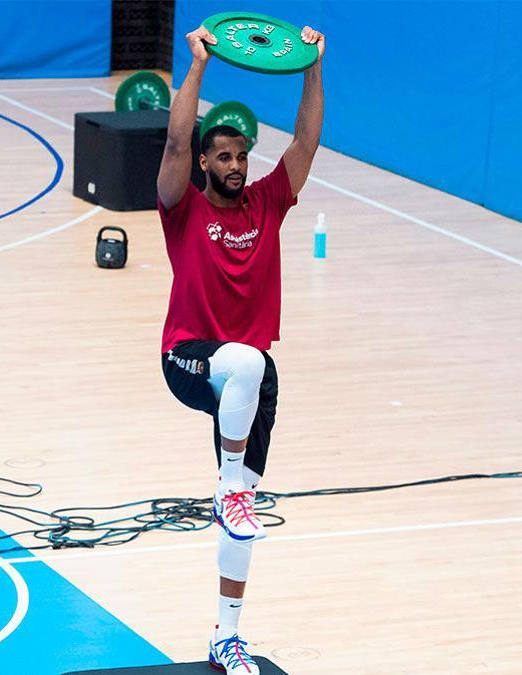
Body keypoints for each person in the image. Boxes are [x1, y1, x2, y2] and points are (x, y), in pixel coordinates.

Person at [155, 22, 325, 675]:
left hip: (250, 383)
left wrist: (311, 63)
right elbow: (173, 137)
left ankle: (227, 635)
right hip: (191, 358)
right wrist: (194, 65)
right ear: (204, 160)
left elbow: (307, 140)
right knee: (249, 361)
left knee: (243, 514)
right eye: (221, 153)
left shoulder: (268, 203)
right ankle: (230, 483)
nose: (233, 164)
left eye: (240, 154)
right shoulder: (183, 207)